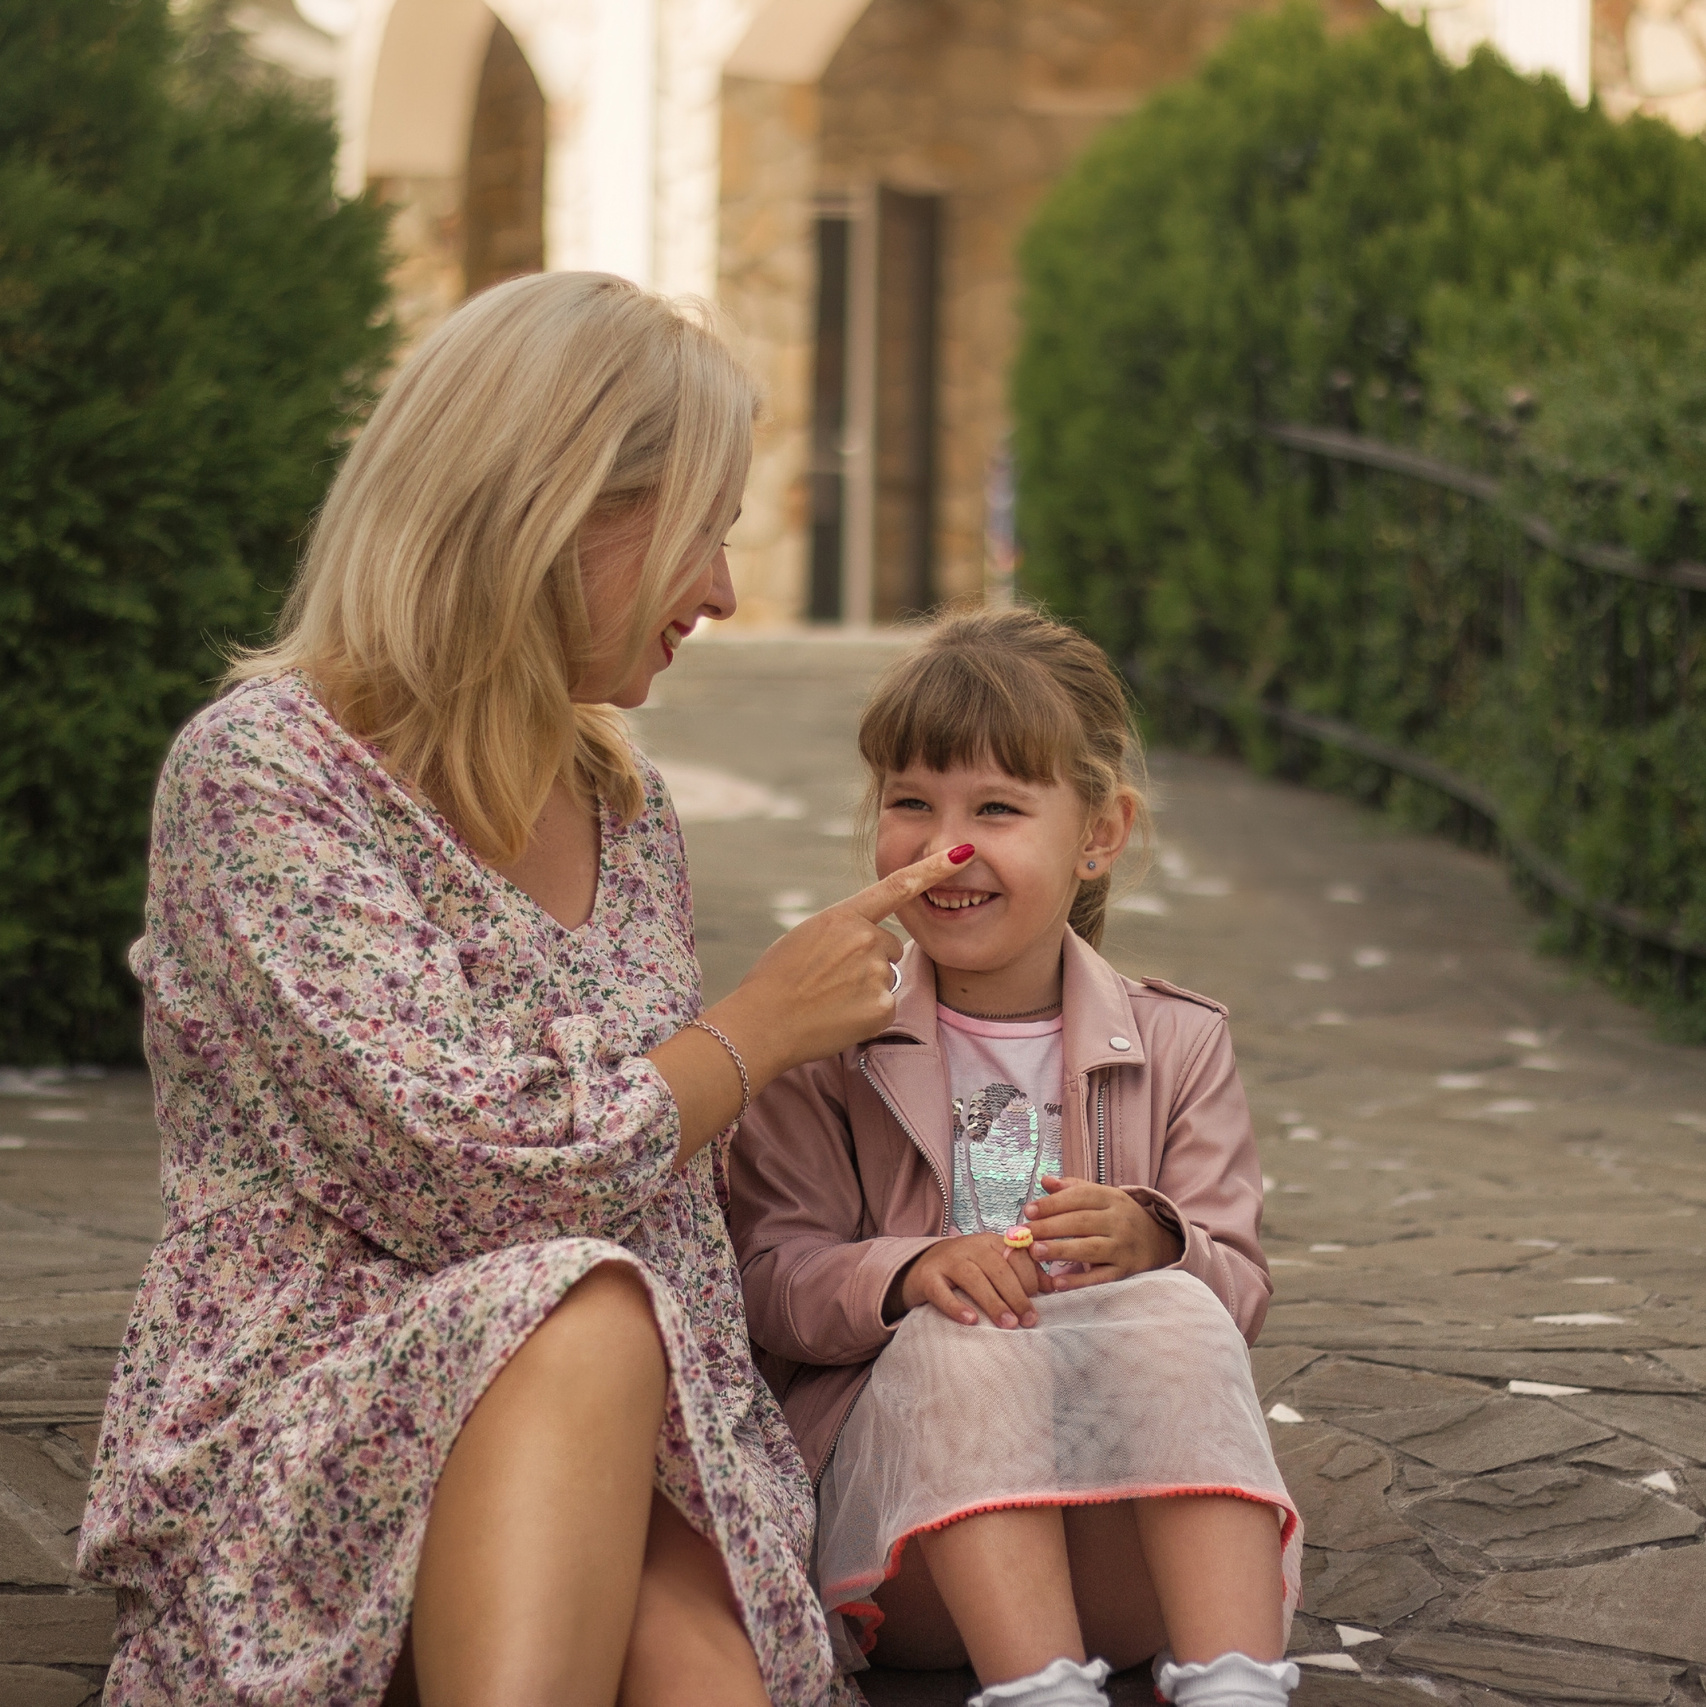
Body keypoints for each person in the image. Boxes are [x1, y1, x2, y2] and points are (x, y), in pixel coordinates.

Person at [76, 271, 968, 1707]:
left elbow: (663, 1198)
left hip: (642, 1415)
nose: (722, 593)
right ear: (556, 508)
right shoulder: (267, 776)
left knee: (706, 1665)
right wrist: (751, 1031)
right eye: (700, 533)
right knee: (581, 1305)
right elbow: (458, 1172)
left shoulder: (622, 801)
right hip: (332, 1420)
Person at [728, 609, 1303, 1707]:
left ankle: (1236, 1683)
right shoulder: (826, 1043)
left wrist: (1160, 1243)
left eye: (995, 808)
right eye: (910, 803)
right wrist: (908, 1271)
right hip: (915, 1554)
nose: (945, 848)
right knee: (969, 1329)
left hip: (1120, 1543)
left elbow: (1237, 1292)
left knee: (1175, 1307)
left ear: (1099, 833)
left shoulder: (1180, 1042)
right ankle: (1040, 1692)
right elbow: (765, 1280)